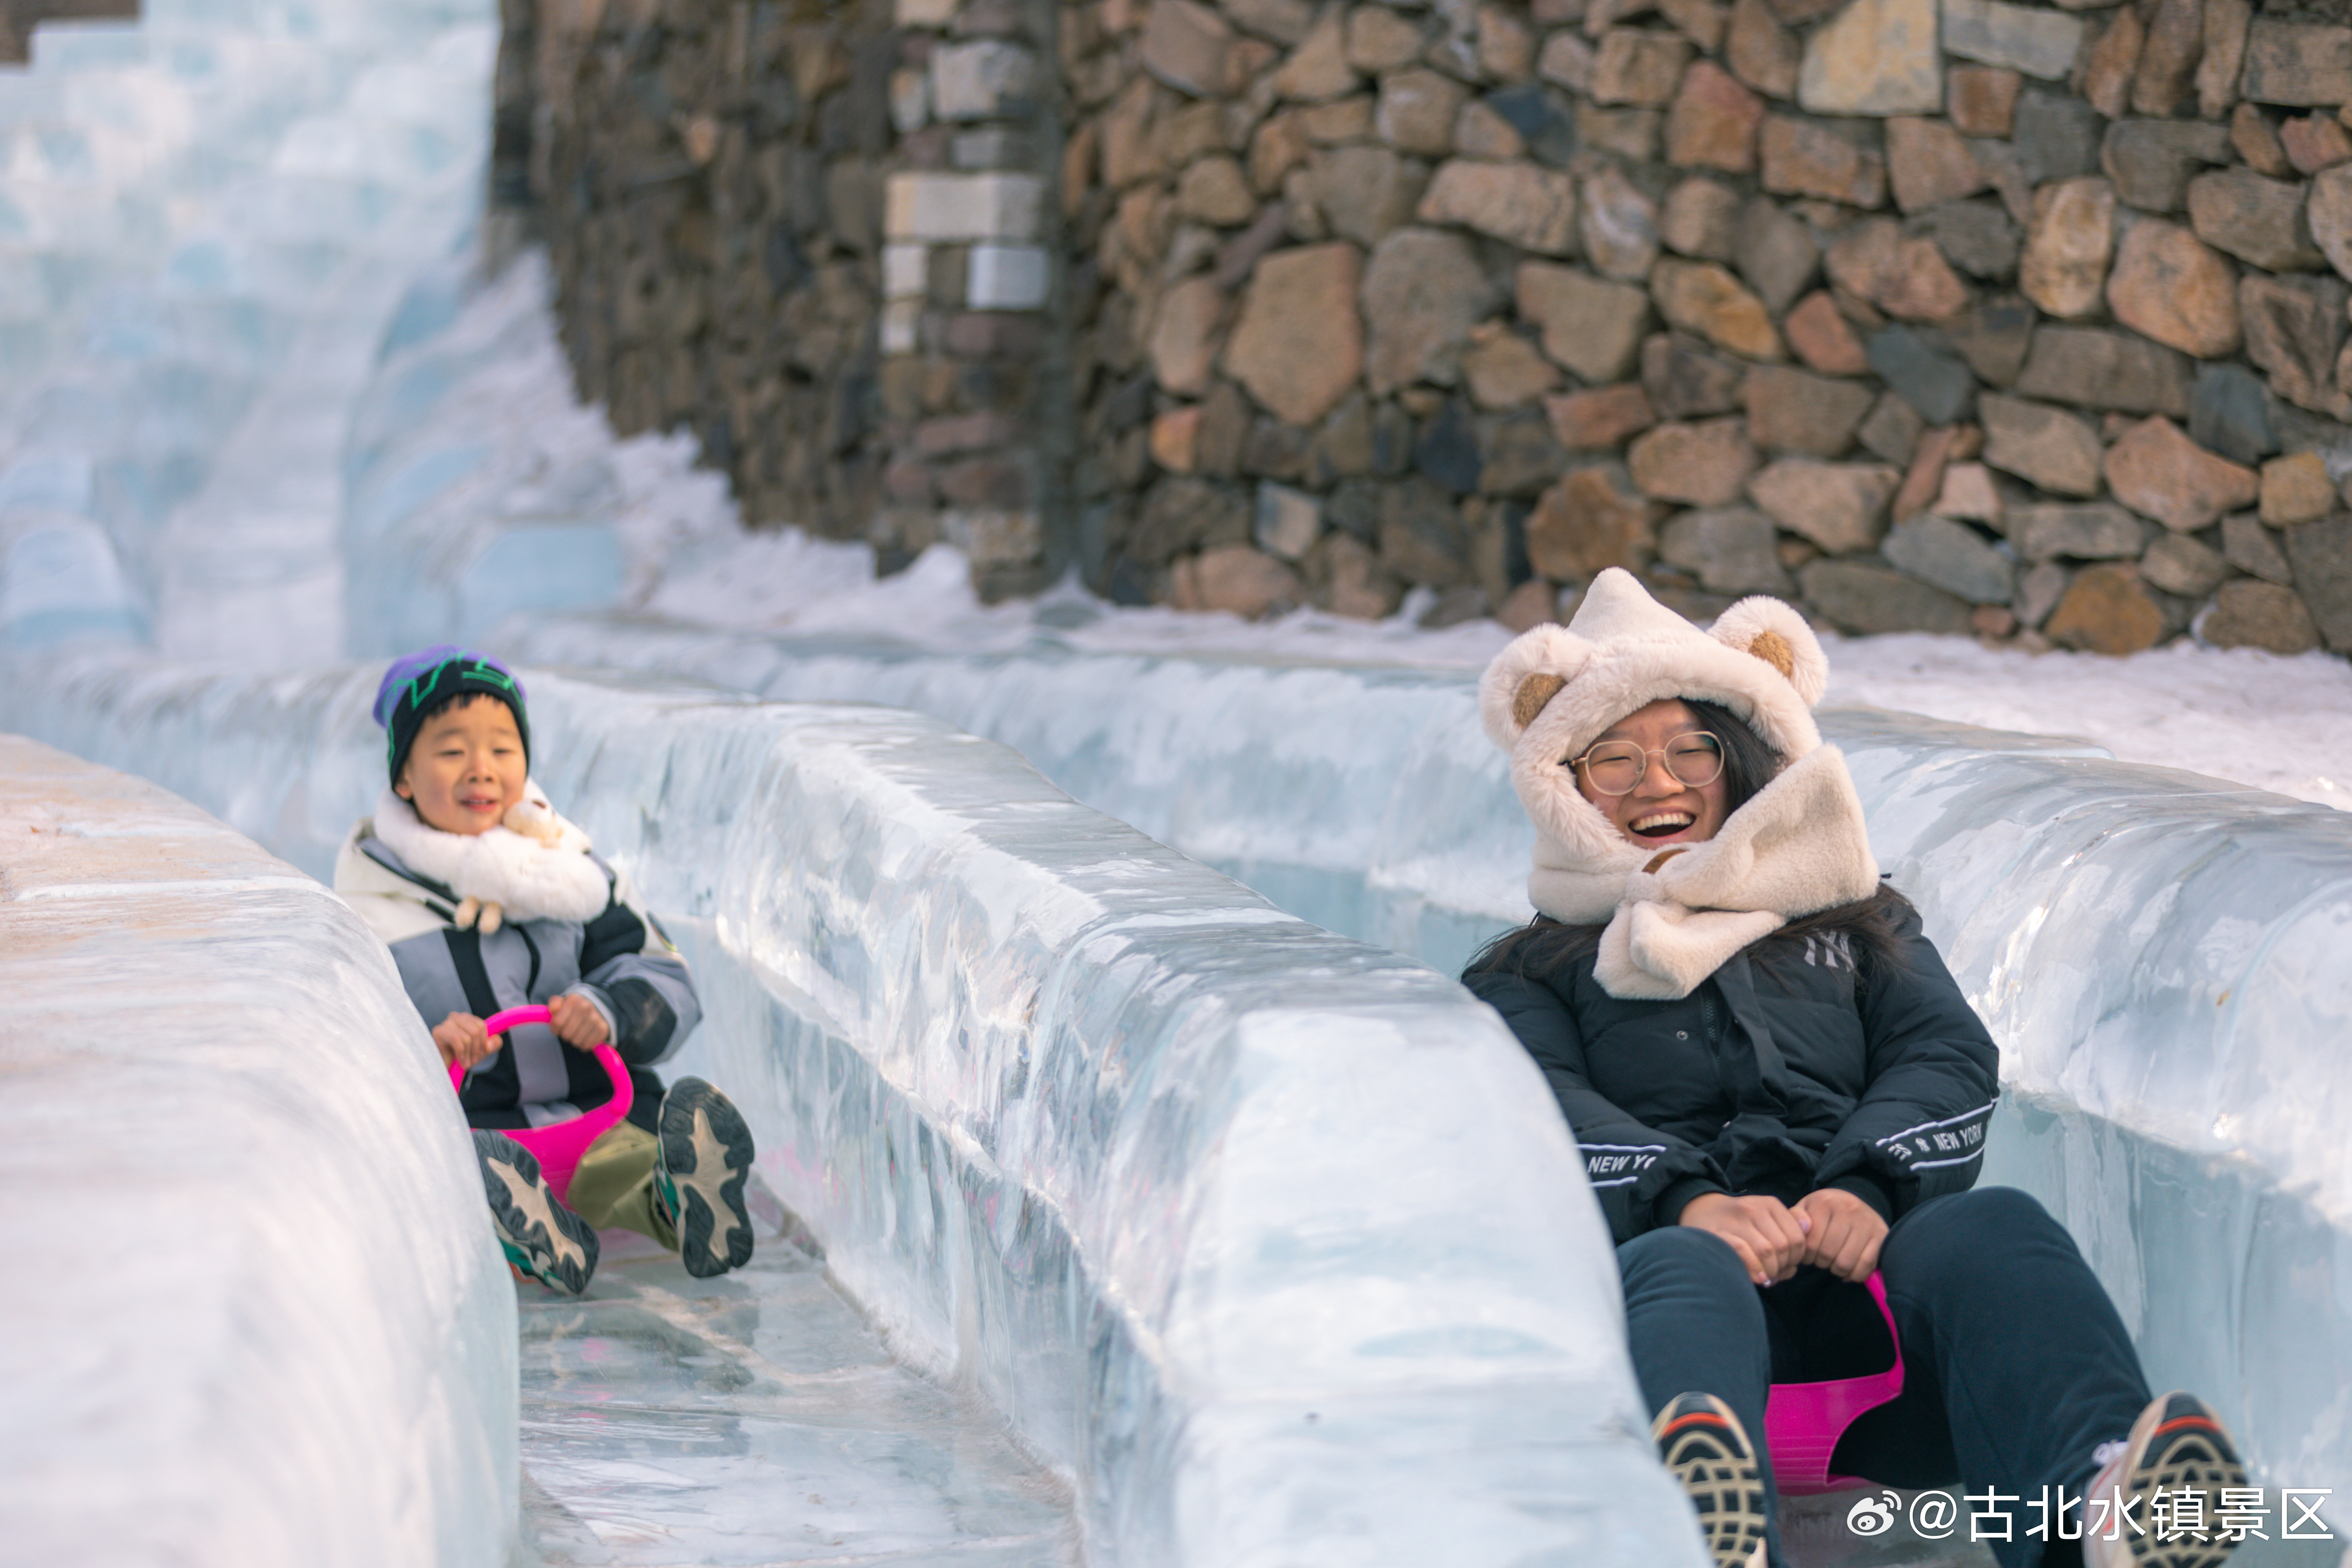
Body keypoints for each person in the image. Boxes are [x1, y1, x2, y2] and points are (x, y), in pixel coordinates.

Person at [1462, 571, 2248, 1568]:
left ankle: (2097, 1507)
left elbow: (1945, 1052)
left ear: (1741, 759)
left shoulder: (1859, 923)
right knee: (1678, 1268)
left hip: (1875, 1343)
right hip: (1672, 1328)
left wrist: (1868, 1184)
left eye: (1687, 750)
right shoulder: (1529, 968)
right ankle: (1698, 1529)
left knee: (1991, 1226)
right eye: (1610, 761)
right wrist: (1685, 1201)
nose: (1655, 783)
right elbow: (1536, 1109)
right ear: (1566, 790)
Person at [335, 645, 756, 1295]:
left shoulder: (573, 877)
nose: (481, 770)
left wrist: (611, 1009)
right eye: (451, 752)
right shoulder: (368, 909)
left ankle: (680, 1202)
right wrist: (428, 1046)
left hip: (602, 1110)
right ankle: (530, 1231)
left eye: (502, 750)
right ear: (403, 778)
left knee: (630, 1160)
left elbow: (663, 976)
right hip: (479, 1130)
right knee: (450, 1178)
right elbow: (346, 1043)